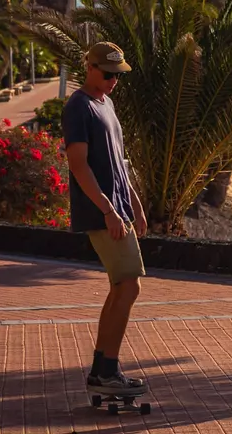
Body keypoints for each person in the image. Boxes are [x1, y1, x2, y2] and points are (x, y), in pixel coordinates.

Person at [62, 42, 148, 395]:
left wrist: (135, 204)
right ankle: (108, 370)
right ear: (90, 67)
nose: (114, 81)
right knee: (130, 285)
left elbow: (118, 162)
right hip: (101, 212)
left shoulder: (107, 104)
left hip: (119, 209)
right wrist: (109, 210)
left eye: (118, 75)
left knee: (120, 287)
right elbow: (78, 165)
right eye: (109, 74)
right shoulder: (78, 107)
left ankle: (102, 369)